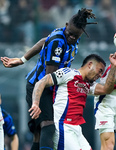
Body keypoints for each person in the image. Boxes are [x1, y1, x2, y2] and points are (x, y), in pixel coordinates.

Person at [1, 8, 97, 150]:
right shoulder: (58, 42)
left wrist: (22, 60)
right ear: (65, 25)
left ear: (81, 32)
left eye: (75, 36)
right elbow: (49, 77)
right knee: (49, 126)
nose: (71, 37)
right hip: (39, 85)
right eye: (69, 33)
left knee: (39, 132)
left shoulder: (72, 35)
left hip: (51, 86)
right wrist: (38, 99)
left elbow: (43, 41)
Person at [28, 51, 116, 150]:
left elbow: (106, 89)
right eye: (99, 70)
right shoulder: (68, 73)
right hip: (63, 126)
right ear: (90, 65)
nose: (99, 75)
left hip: (76, 129)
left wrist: (114, 67)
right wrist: (35, 103)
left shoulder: (88, 85)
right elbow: (41, 82)